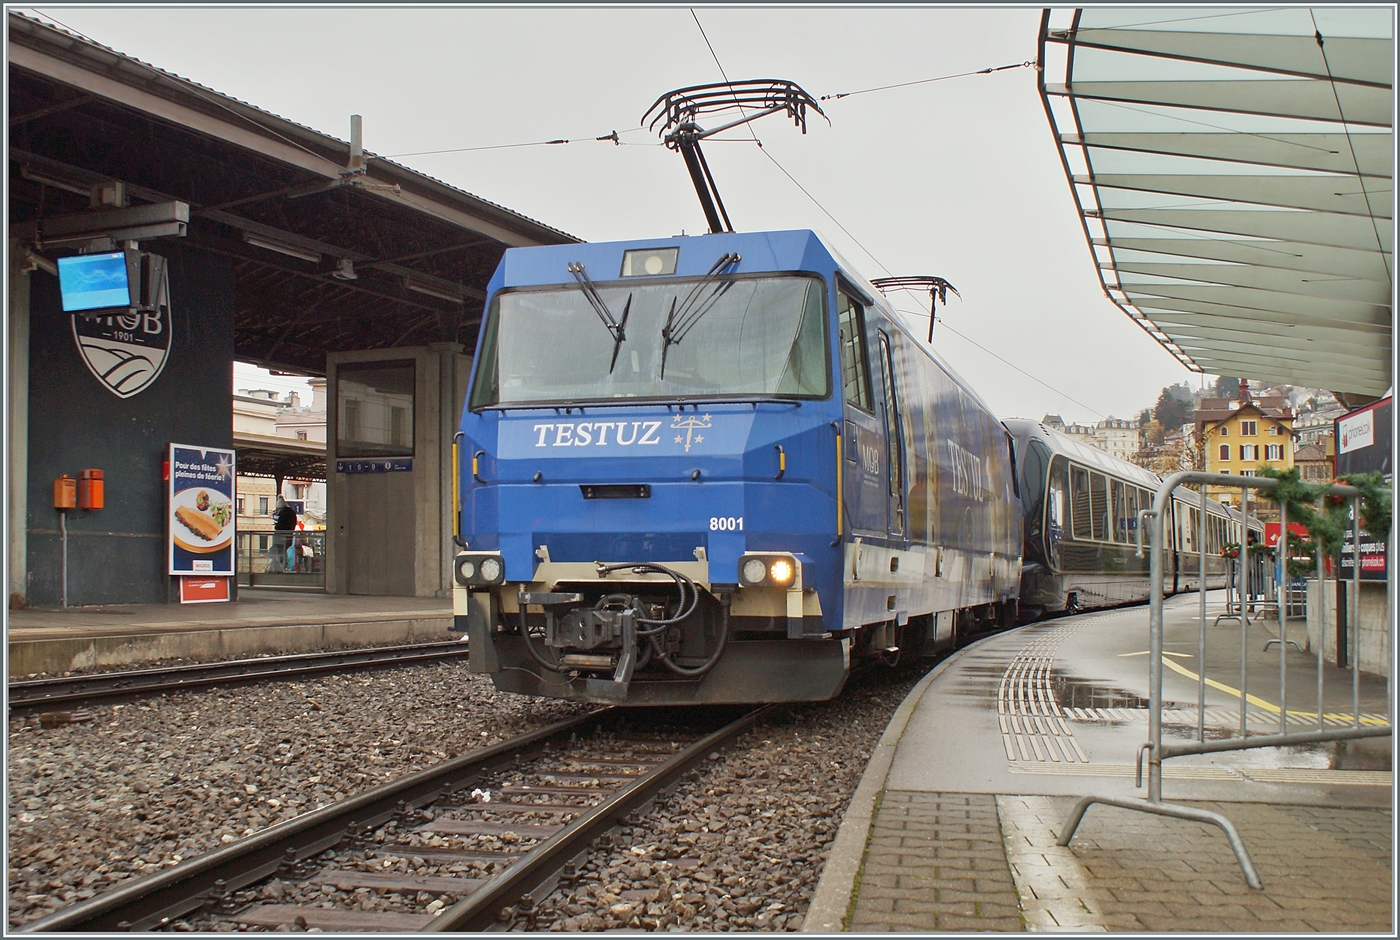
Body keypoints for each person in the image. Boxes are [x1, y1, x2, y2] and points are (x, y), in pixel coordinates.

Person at [270, 496, 296, 572]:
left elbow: (279, 526)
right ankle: (284, 566)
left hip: (281, 538)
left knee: (280, 553)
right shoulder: (291, 512)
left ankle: (280, 568)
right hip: (289, 536)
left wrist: (276, 526)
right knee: (284, 553)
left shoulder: (283, 513)